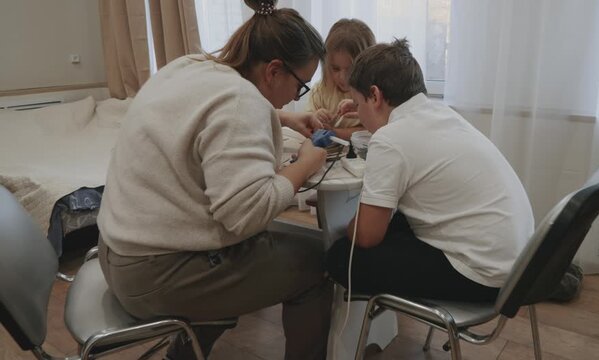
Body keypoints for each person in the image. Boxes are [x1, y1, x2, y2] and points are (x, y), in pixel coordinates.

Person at [97, 1, 332, 359]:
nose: (296, 97)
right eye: (300, 86)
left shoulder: (190, 67)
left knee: (252, 254)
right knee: (318, 262)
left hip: (115, 252)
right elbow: (246, 215)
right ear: (273, 70)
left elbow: (204, 116)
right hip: (154, 276)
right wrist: (303, 164)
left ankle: (184, 352)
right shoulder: (240, 102)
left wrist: (281, 117)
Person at [325, 39, 535, 303]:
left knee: (341, 256)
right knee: (396, 222)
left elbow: (366, 237)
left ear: (375, 96)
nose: (359, 114)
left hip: (483, 275)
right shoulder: (442, 113)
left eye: (357, 104)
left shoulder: (390, 139)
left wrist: (351, 224)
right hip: (519, 264)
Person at [306, 18, 376, 141]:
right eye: (335, 69)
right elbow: (306, 127)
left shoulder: (373, 95)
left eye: (350, 70)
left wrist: (334, 132)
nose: (343, 78)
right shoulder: (320, 91)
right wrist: (314, 119)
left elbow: (373, 132)